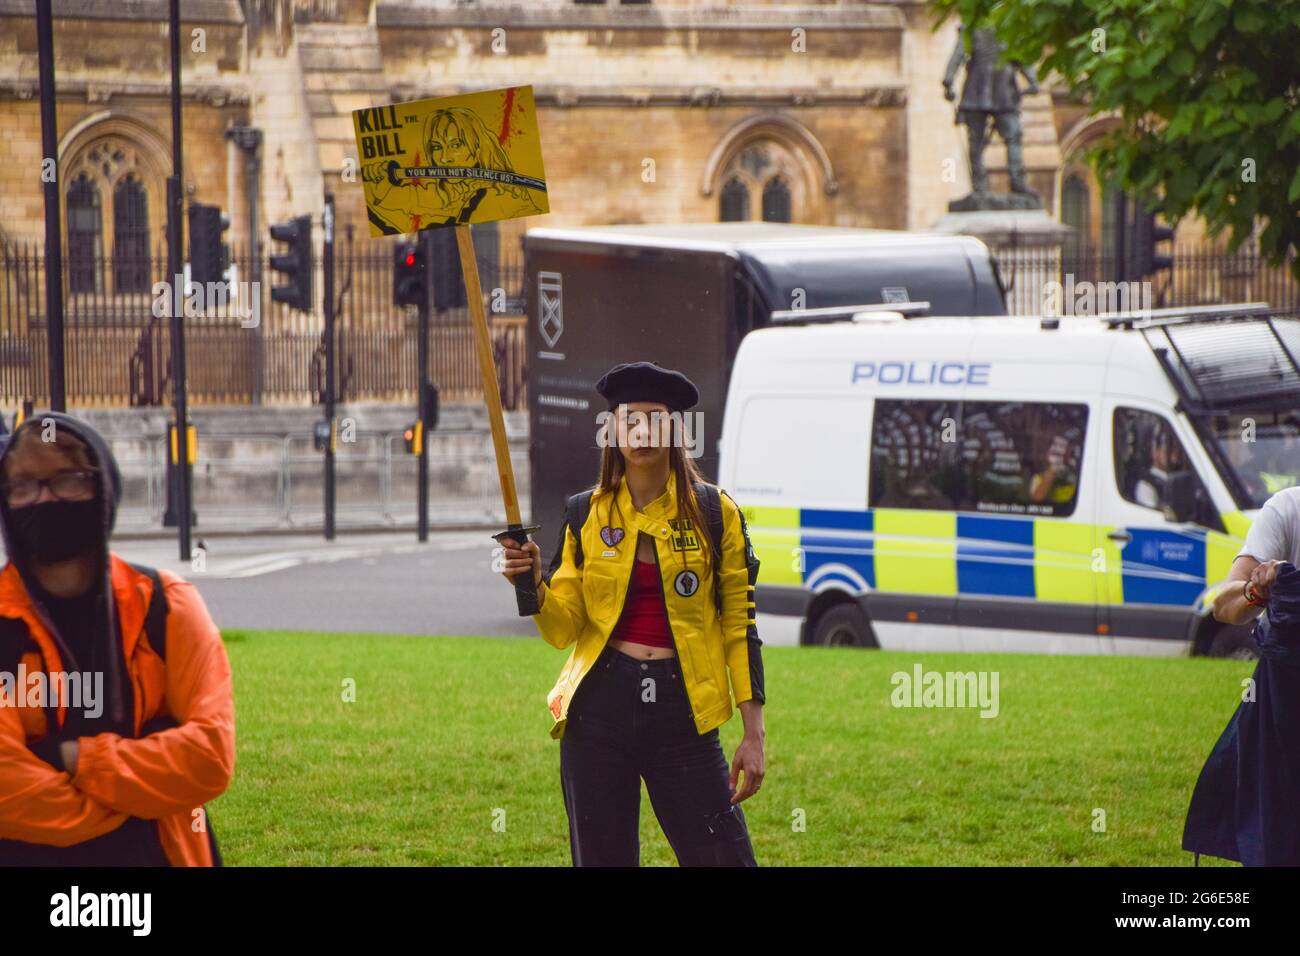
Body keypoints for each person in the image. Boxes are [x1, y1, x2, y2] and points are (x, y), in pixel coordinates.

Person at [499, 361, 766, 866]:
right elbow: (562, 630)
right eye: (630, 419)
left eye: (655, 418)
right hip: (598, 715)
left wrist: (754, 735)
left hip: (684, 714)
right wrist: (531, 580)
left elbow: (740, 627)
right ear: (613, 431)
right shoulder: (586, 513)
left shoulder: (715, 514)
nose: (642, 430)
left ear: (675, 431)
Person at [0, 412, 235, 865]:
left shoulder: (167, 606)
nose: (44, 499)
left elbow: (209, 757)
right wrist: (140, 783)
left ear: (102, 487)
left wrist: (75, 758)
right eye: (23, 486)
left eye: (67, 480)